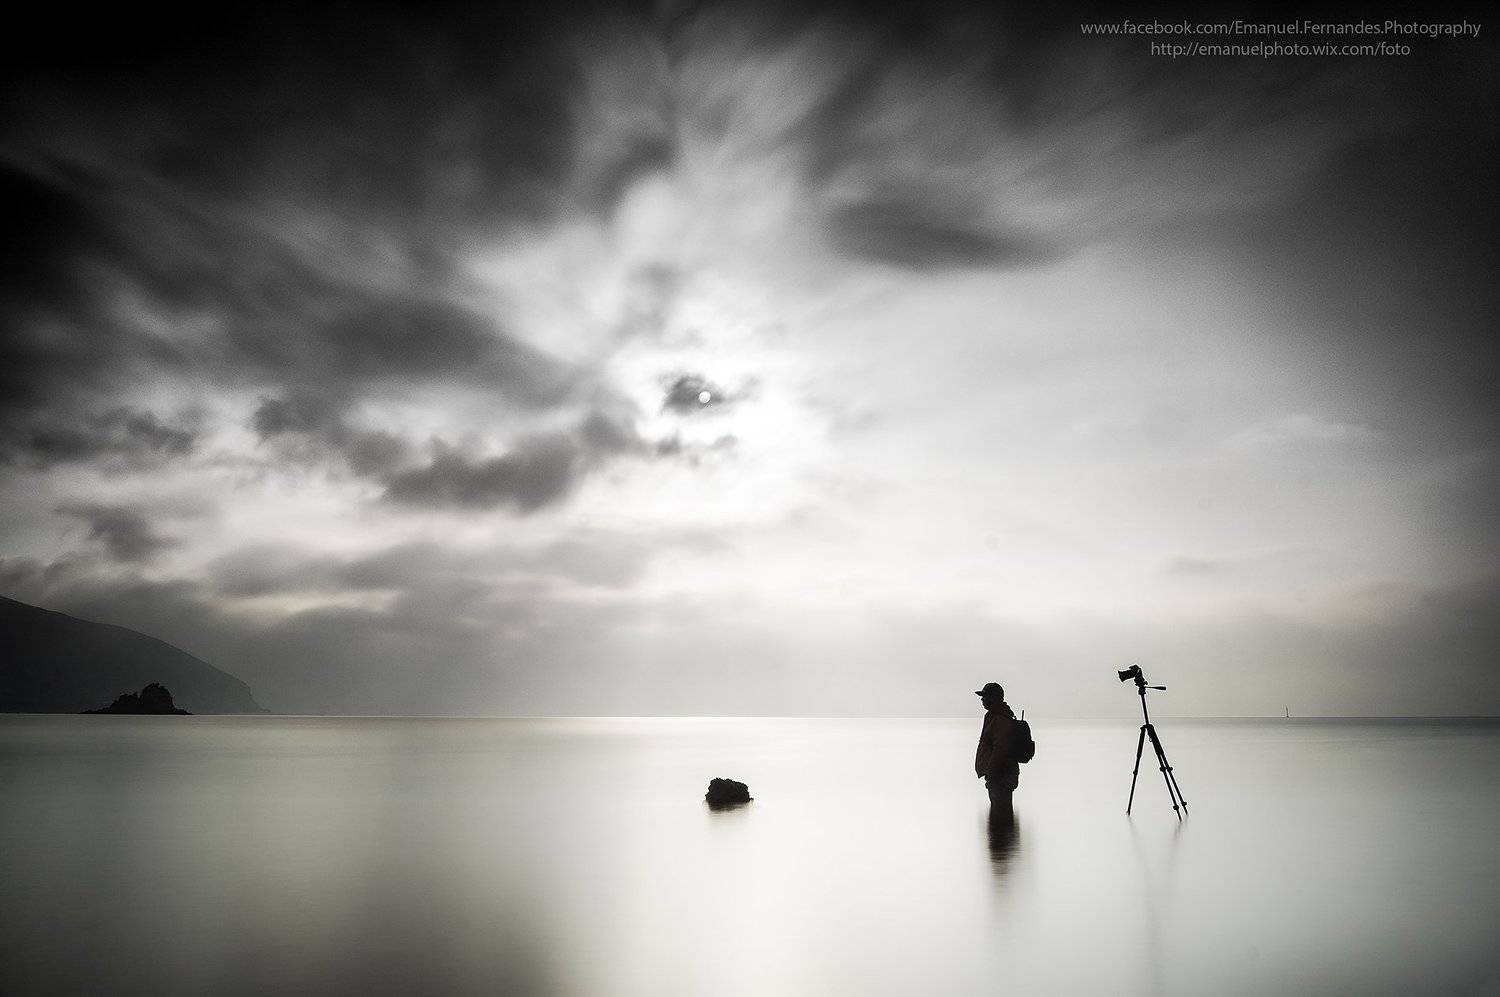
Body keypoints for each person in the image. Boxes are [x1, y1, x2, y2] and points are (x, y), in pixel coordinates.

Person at [974, 681, 1019, 810]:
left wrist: (990, 771)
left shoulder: (1000, 718)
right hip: (998, 775)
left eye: (985, 696)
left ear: (993, 698)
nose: (982, 699)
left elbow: (1001, 748)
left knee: (1001, 815)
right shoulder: (992, 716)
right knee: (999, 816)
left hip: (1001, 776)